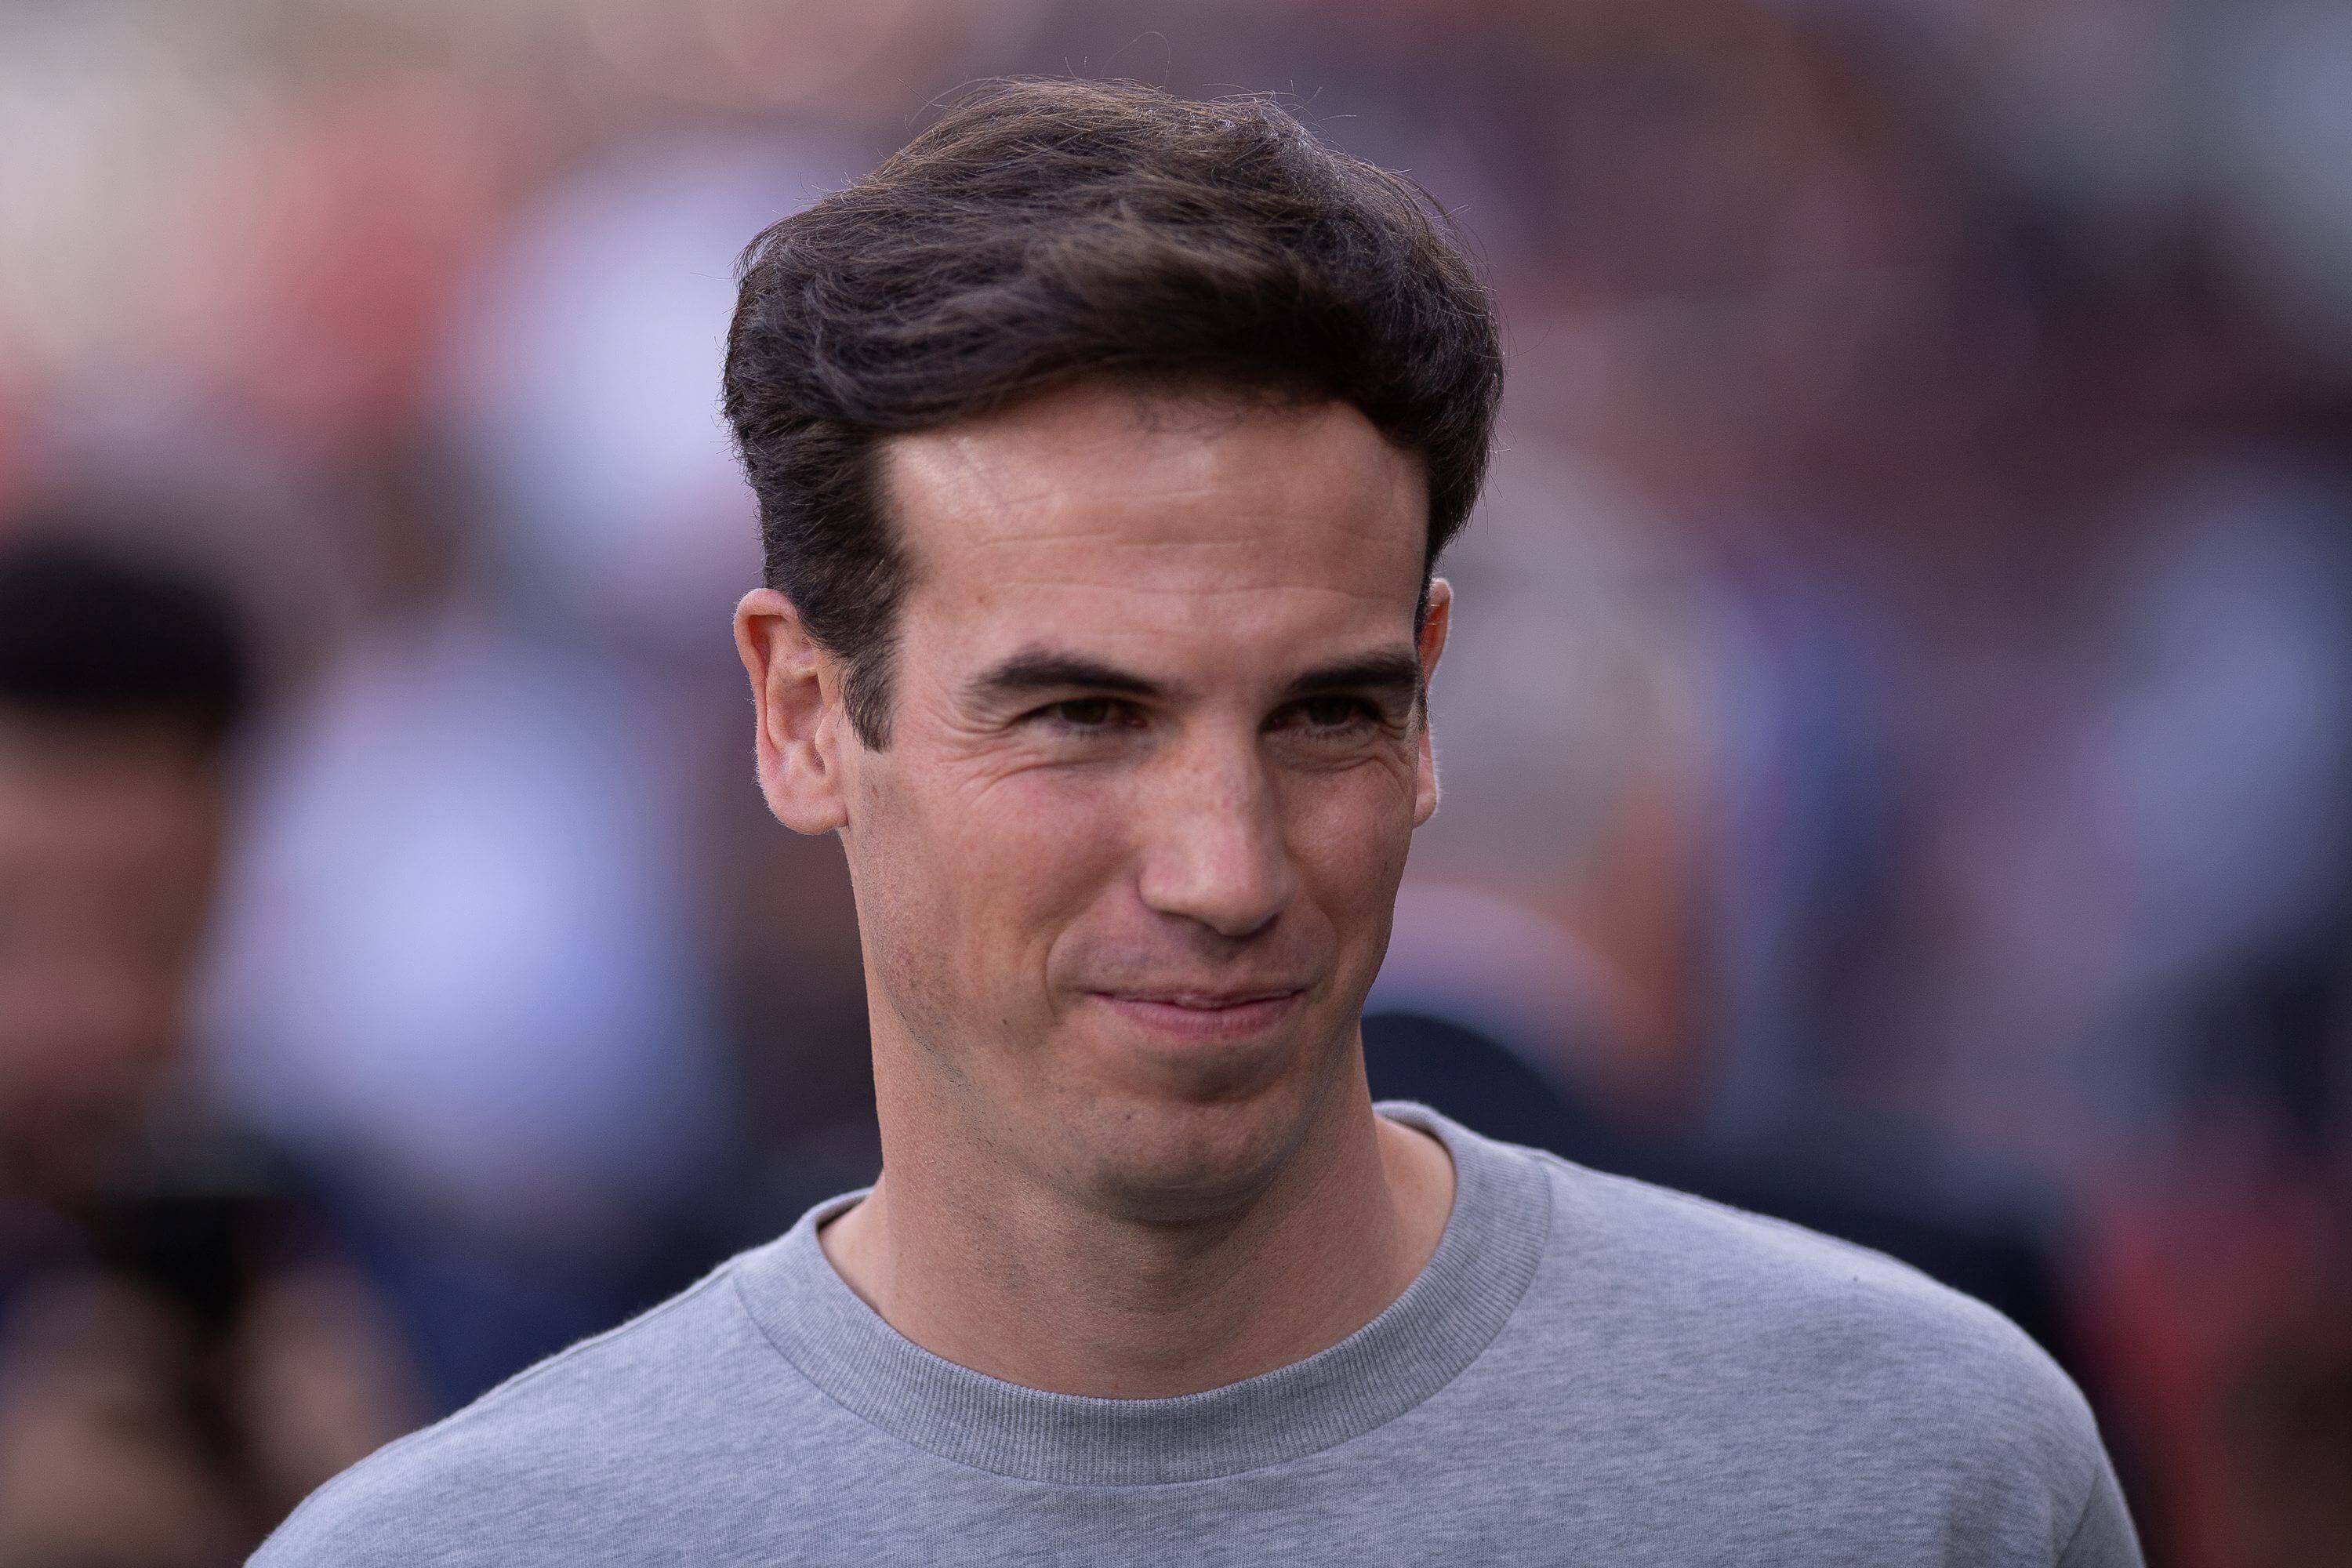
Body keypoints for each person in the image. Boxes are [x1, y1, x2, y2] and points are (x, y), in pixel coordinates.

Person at [252, 78, 2141, 1565]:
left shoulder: (1916, 1467)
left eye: (1329, 715)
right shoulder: (482, 1545)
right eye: (1081, 717)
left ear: (1430, 699)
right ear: (806, 714)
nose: (1227, 870)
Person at [0, 525, 420, 1567]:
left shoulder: (344, 1254)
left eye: (157, 935)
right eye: (12, 930)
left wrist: (399, 1508)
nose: (90, 1014)